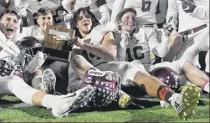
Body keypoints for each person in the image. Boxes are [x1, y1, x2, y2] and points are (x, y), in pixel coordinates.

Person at [67, 7, 201, 119]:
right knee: (77, 60)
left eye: (87, 16)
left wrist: (84, 45)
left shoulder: (103, 32)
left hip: (111, 66)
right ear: (75, 25)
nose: (85, 19)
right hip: (92, 74)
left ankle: (174, 99)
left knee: (136, 72)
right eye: (80, 18)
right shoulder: (73, 44)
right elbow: (75, 68)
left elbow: (111, 54)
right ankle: (117, 93)